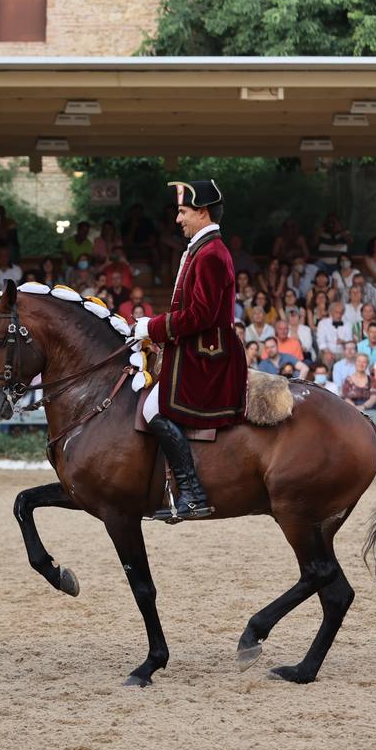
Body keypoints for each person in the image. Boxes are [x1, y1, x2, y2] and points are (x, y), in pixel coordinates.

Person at [133, 179, 245, 522]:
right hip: (194, 350)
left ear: (202, 211)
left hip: (206, 356)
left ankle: (193, 493)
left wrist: (150, 327)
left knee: (153, 408)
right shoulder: (202, 249)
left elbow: (201, 316)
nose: (178, 219)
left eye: (183, 212)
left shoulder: (211, 254)